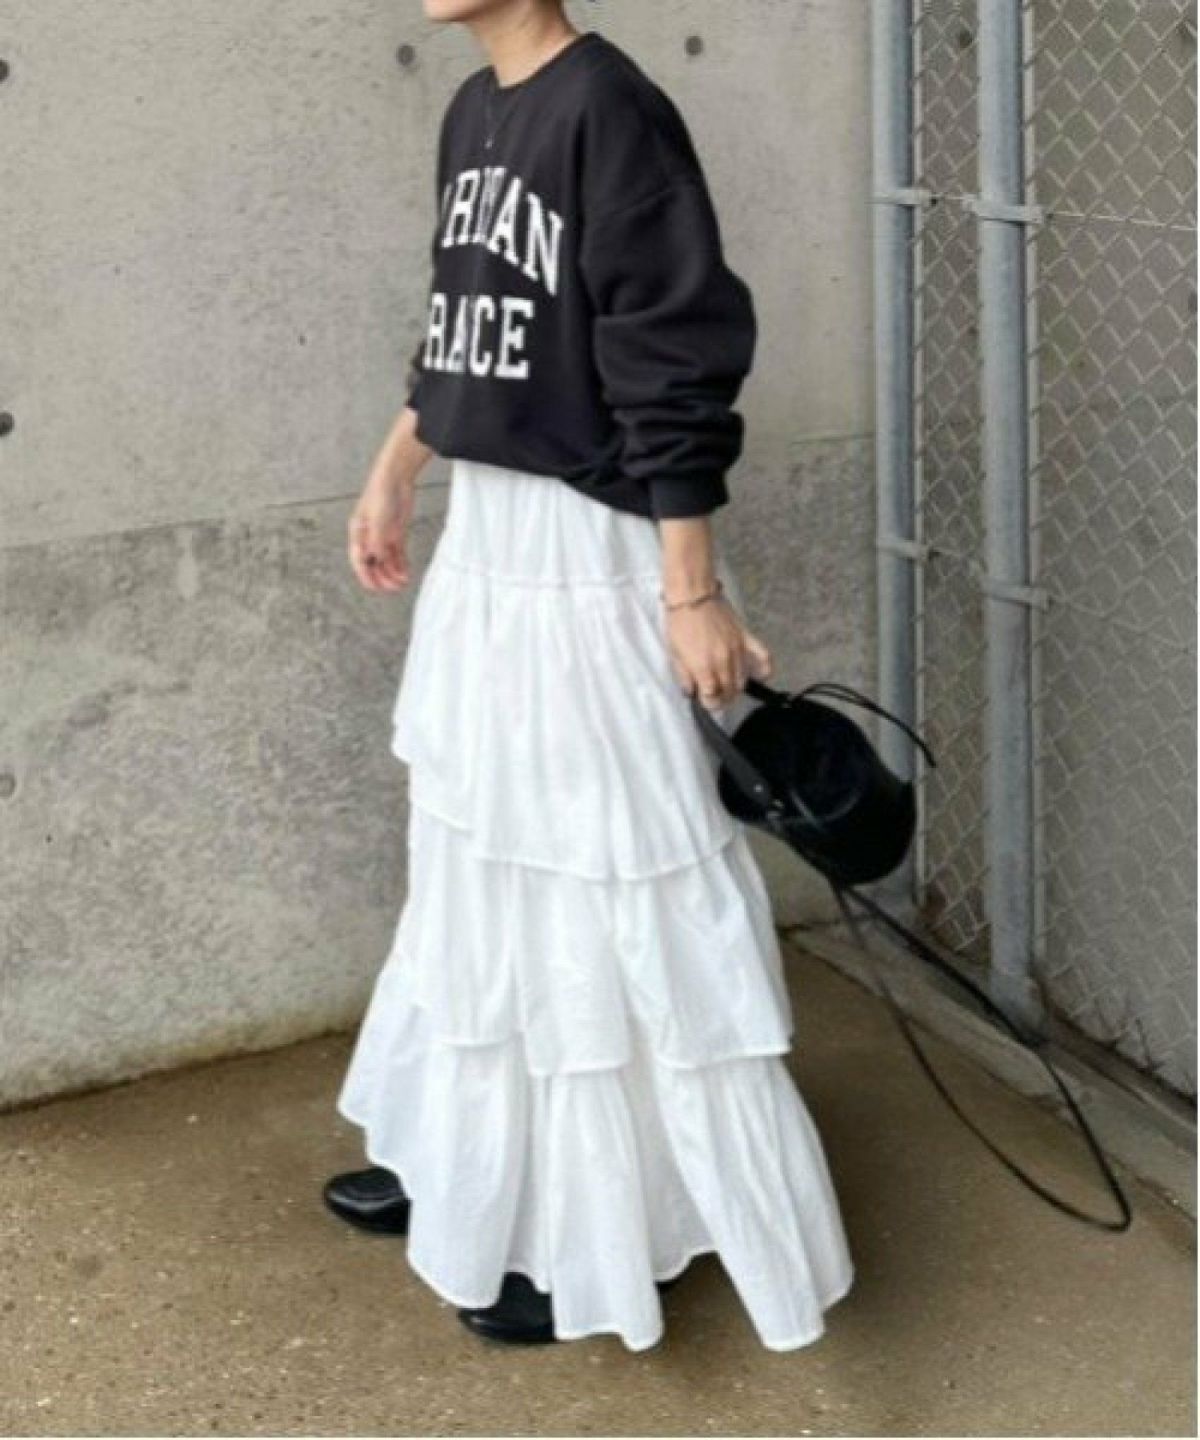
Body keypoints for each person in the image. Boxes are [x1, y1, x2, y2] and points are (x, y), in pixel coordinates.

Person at [325, 0, 855, 1353]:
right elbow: (464, 322)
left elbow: (673, 355)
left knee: (598, 865)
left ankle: (589, 1238)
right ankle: (468, 1164)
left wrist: (691, 590)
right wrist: (395, 471)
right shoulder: (475, 110)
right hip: (491, 538)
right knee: (479, 850)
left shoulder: (610, 108)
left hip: (588, 544)